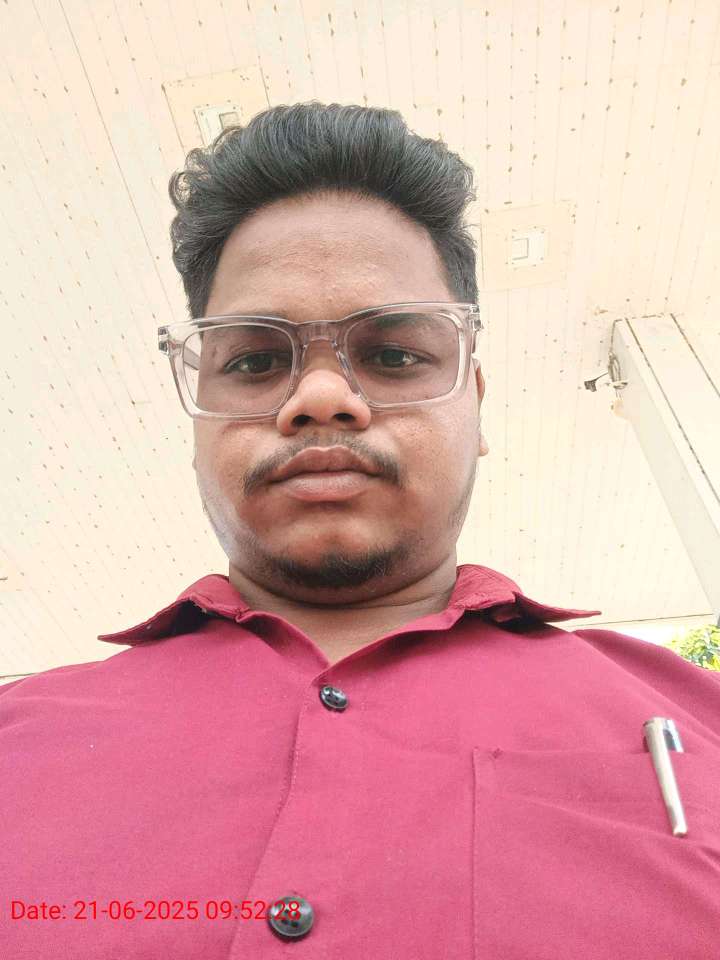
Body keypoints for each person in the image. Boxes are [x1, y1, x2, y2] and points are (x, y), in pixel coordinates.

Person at [2, 102, 719, 960]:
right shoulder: (16, 738)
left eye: (393, 355)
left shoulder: (698, 719)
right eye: (255, 361)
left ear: (475, 405)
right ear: (199, 416)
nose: (319, 398)